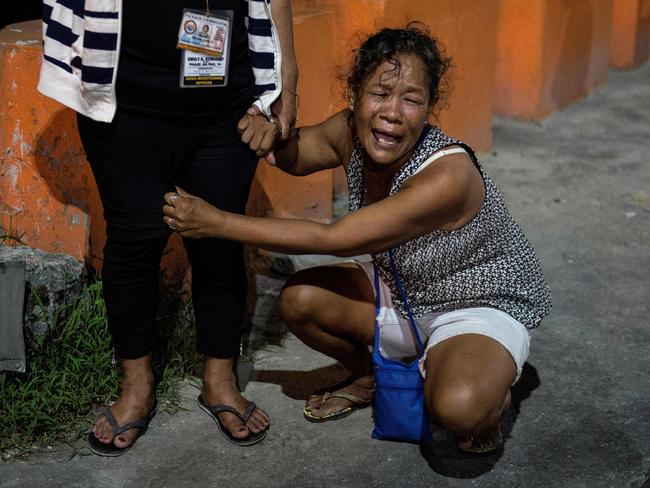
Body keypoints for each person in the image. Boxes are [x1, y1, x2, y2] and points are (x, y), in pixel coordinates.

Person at [163, 25, 552, 453]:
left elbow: (335, 238)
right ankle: (370, 376)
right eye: (380, 93)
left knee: (458, 409)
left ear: (429, 108)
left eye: (411, 99)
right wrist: (268, 131)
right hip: (404, 290)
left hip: (474, 301)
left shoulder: (448, 175)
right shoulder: (350, 131)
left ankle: (487, 391)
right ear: (354, 94)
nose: (392, 112)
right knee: (300, 301)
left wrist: (217, 222)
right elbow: (300, 152)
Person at [38, 0, 297, 454]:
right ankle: (137, 385)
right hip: (123, 99)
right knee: (133, 238)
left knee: (220, 240)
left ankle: (219, 379)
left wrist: (283, 89)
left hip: (231, 102)